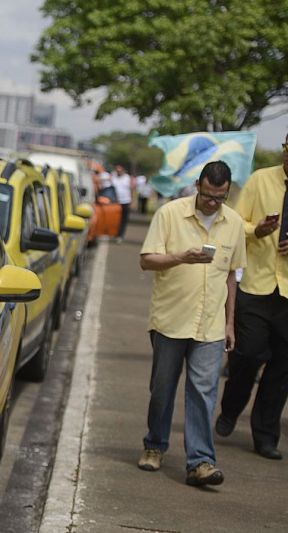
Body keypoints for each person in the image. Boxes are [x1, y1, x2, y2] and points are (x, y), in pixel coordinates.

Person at [137, 161, 246, 487]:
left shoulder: (235, 223)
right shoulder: (170, 214)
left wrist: (230, 324)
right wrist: (181, 257)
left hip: (210, 325)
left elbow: (231, 276)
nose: (213, 203)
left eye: (220, 198)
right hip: (170, 320)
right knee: (162, 390)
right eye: (209, 196)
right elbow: (146, 260)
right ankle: (155, 445)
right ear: (198, 185)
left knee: (203, 393)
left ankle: (200, 462)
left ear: (227, 193)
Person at [216, 136, 288, 460]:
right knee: (246, 356)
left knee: (281, 369)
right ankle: (230, 409)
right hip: (257, 286)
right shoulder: (261, 179)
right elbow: (236, 221)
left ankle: (265, 436)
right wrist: (256, 230)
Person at [111, 165, 134, 242]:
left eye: (120, 171)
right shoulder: (113, 177)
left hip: (126, 201)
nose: (118, 172)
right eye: (117, 171)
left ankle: (120, 235)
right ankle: (115, 233)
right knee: (116, 219)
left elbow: (131, 189)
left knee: (123, 219)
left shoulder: (127, 178)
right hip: (116, 202)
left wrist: (132, 200)